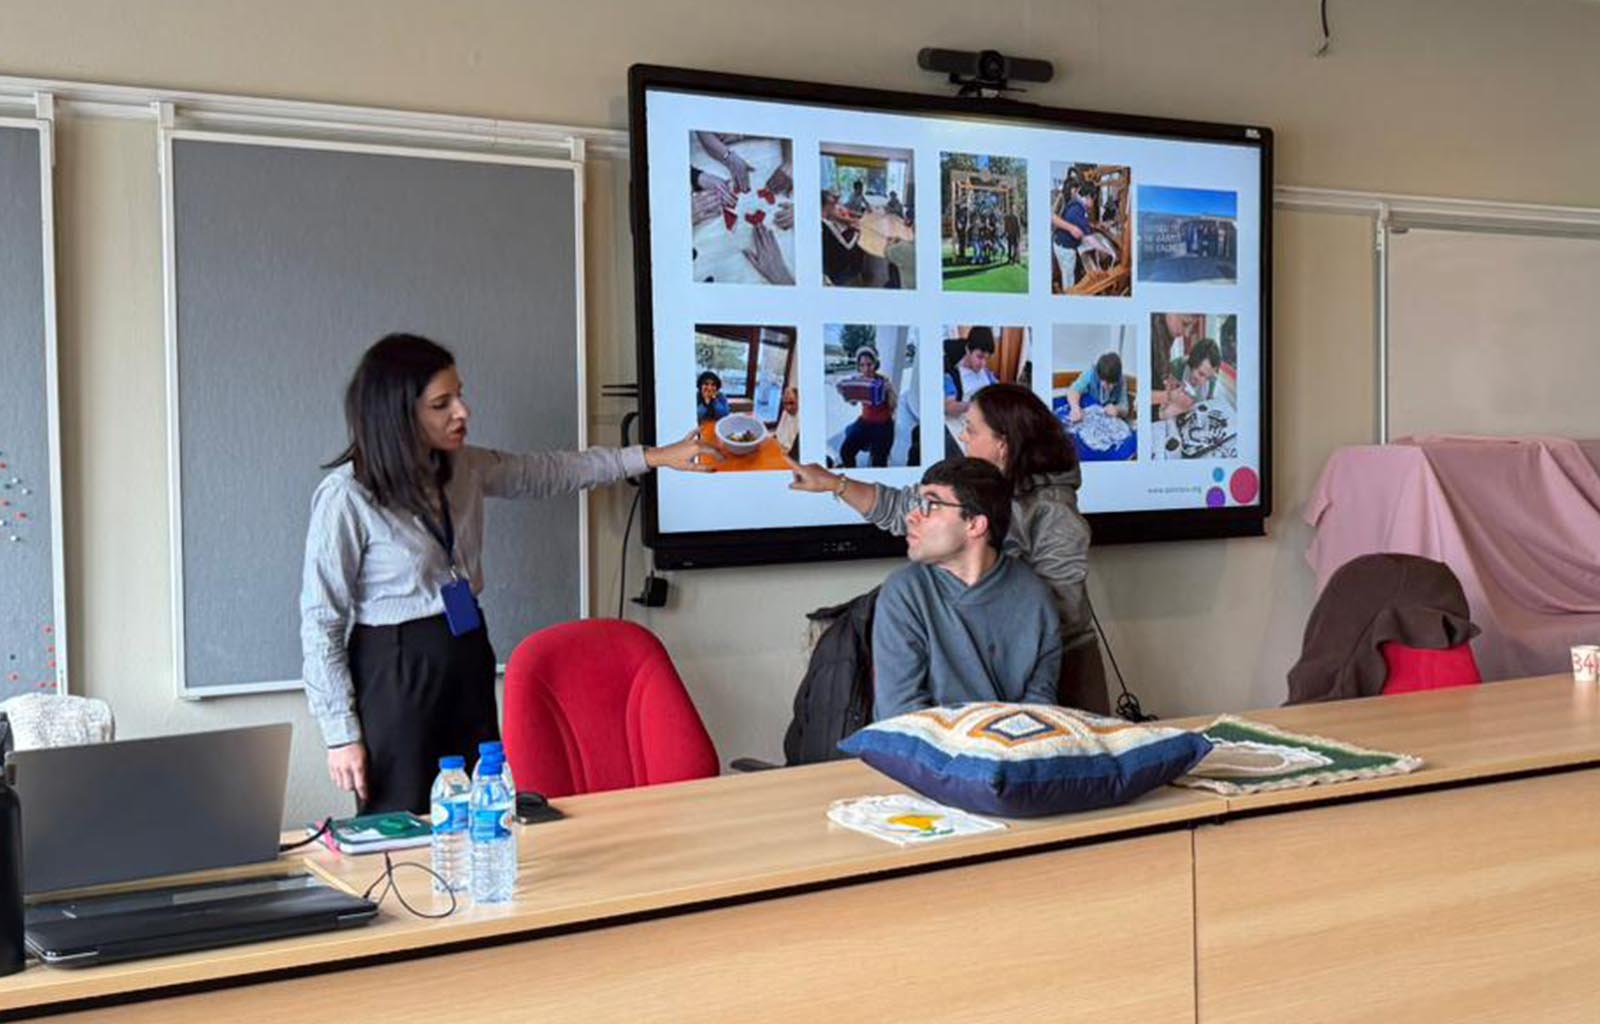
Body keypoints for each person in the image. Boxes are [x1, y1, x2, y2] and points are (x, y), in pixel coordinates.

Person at [301, 334, 720, 814]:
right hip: (396, 669)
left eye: (459, 394)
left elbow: (549, 471)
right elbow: (321, 621)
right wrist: (340, 734)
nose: (463, 411)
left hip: (466, 650)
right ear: (398, 415)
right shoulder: (347, 497)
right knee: (405, 821)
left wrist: (651, 457)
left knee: (483, 808)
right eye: (442, 404)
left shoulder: (464, 466)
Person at [789, 383, 1110, 713]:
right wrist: (834, 483)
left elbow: (1055, 615)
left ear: (1003, 444)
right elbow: (900, 506)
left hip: (1060, 670)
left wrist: (973, 627)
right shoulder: (909, 586)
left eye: (971, 429)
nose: (964, 437)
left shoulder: (1054, 516)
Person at [869, 458, 1062, 719]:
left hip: (1014, 750)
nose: (911, 516)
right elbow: (901, 715)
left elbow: (1041, 710)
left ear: (975, 524)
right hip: (924, 752)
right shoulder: (904, 592)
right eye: (917, 503)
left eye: (932, 505)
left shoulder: (1034, 595)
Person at [836, 347, 898, 468]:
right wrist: (844, 392)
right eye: (862, 365)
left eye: (869, 364)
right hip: (865, 421)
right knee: (845, 452)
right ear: (858, 366)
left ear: (875, 364)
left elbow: (893, 406)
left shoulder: (883, 381)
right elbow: (853, 403)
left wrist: (889, 391)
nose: (866, 369)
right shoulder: (858, 380)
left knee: (879, 462)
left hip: (883, 424)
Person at [1159, 336, 1222, 420]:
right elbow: (1161, 407)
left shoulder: (1213, 378)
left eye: (1208, 378)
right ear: (1192, 363)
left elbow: (1208, 405)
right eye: (1201, 374)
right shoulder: (1175, 368)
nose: (1203, 382)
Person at [943, 327, 998, 420]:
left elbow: (997, 388)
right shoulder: (952, 376)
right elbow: (949, 406)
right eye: (980, 357)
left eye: (986, 358)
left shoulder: (986, 372)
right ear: (968, 349)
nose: (983, 364)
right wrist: (971, 406)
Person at [1066, 352, 1130, 423]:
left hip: (1108, 419)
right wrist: (1075, 408)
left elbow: (1125, 409)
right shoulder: (1091, 373)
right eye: (1108, 383)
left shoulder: (1121, 380)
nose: (1111, 387)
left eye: (1114, 383)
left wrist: (1117, 409)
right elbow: (1073, 390)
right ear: (1099, 377)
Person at [1052, 183, 1093, 290]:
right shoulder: (1077, 208)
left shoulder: (1075, 204)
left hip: (1060, 244)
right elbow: (1083, 231)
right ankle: (1069, 295)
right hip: (1065, 248)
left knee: (1066, 273)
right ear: (1088, 197)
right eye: (1094, 200)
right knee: (1069, 278)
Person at [820, 189, 865, 286]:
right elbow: (847, 247)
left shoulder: (823, 220)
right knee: (860, 246)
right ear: (824, 206)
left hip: (832, 261)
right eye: (831, 204)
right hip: (838, 269)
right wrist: (858, 233)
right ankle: (856, 274)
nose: (834, 206)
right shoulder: (826, 225)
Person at [774, 386, 800, 458]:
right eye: (785, 403)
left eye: (792, 403)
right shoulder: (785, 413)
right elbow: (777, 434)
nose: (788, 407)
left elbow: (794, 453)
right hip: (778, 448)